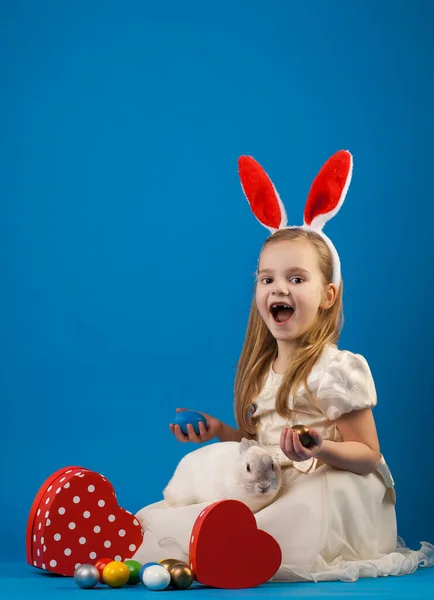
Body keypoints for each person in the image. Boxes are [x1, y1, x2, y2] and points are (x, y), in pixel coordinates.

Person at [132, 151, 433, 582]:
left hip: (333, 484)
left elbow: (368, 456)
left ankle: (236, 551)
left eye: (296, 278)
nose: (279, 288)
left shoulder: (336, 371)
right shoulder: (262, 370)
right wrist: (222, 433)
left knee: (303, 506)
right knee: (199, 500)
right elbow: (264, 448)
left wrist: (320, 449)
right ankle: (187, 541)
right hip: (276, 480)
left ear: (328, 295)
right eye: (267, 278)